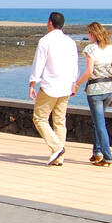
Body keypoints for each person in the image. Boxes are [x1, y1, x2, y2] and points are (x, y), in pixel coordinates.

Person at [28, 11, 79, 166]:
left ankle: (57, 148)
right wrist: (74, 83)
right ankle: (58, 157)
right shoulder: (70, 42)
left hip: (51, 85)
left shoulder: (45, 41)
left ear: (50, 23)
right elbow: (74, 64)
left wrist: (32, 83)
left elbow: (39, 63)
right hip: (65, 86)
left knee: (39, 118)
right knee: (59, 121)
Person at [73, 21, 112, 166]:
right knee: (98, 122)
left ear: (93, 34)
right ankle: (97, 152)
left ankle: (107, 157)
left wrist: (76, 84)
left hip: (95, 90)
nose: (88, 35)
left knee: (100, 124)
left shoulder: (90, 49)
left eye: (89, 33)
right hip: (109, 89)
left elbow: (89, 71)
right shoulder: (110, 48)